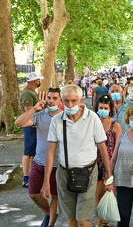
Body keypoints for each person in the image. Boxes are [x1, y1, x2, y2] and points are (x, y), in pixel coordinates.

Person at [41, 84, 113, 227]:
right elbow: (51, 152)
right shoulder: (57, 120)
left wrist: (109, 177)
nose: (70, 104)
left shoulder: (92, 118)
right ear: (61, 101)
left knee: (83, 220)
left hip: (88, 173)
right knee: (71, 219)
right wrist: (46, 181)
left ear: (81, 100)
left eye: (74, 101)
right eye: (66, 101)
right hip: (64, 173)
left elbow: (103, 149)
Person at [15, 87, 62, 227]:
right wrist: (34, 109)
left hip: (58, 164)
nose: (51, 101)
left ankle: (51, 224)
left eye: (55, 98)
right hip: (39, 161)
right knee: (34, 194)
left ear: (60, 100)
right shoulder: (40, 116)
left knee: (55, 196)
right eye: (49, 98)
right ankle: (48, 213)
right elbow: (19, 123)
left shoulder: (65, 117)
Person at [94, 94, 122, 227]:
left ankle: (106, 221)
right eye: (101, 107)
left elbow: (119, 146)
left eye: (106, 107)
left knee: (110, 194)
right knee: (98, 195)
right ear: (97, 108)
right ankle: (101, 223)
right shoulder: (93, 122)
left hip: (111, 164)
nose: (103, 110)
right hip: (95, 164)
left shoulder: (115, 125)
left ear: (110, 109)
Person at [20, 72, 43, 188]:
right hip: (30, 125)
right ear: (35, 81)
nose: (39, 82)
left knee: (32, 151)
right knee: (28, 152)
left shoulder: (32, 92)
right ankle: (26, 178)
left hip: (33, 124)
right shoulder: (27, 94)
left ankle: (32, 176)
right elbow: (28, 110)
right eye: (38, 80)